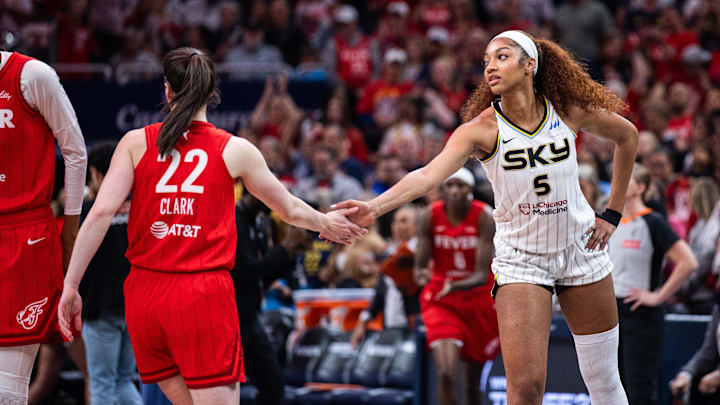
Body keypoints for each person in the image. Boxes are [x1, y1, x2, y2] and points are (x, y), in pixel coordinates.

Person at [332, 30, 638, 405]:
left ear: (530, 65)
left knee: (604, 381)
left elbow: (627, 137)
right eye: (486, 60)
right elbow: (427, 175)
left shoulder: (566, 109)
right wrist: (375, 207)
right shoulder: (479, 130)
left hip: (581, 248)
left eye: (502, 56)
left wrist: (612, 211)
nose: (491, 66)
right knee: (525, 390)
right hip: (523, 259)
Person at [57, 47, 365, 405]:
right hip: (201, 297)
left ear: (167, 91)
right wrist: (325, 222)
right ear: (211, 93)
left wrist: (71, 286)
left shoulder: (134, 143)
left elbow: (98, 214)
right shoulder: (235, 149)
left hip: (144, 298)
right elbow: (291, 209)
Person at [0, 49, 87, 404]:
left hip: (26, 237)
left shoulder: (32, 75)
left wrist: (70, 229)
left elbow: (77, 151)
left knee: (8, 391)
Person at [609, 163, 697, 405]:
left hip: (640, 315)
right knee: (611, 389)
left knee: (638, 390)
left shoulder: (653, 222)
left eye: (624, 177)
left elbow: (688, 261)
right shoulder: (607, 222)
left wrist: (658, 296)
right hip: (609, 314)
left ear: (641, 187)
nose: (617, 181)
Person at [414, 168, 498, 405]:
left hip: (477, 297)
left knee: (472, 385)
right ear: (443, 190)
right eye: (449, 185)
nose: (454, 191)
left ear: (470, 191)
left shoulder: (484, 216)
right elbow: (420, 267)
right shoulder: (430, 215)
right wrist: (420, 278)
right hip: (442, 300)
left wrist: (455, 285)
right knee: (447, 374)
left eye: (460, 186)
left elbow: (481, 275)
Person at [232, 191, 311, 405]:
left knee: (273, 387)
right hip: (231, 318)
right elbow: (247, 273)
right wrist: (284, 250)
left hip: (251, 317)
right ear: (254, 191)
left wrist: (291, 254)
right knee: (226, 388)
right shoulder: (233, 220)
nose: (276, 199)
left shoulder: (261, 222)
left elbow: (264, 277)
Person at [78, 141, 143, 405]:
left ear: (94, 173)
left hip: (100, 312)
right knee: (123, 381)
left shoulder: (88, 214)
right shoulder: (138, 208)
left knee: (103, 385)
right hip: (134, 309)